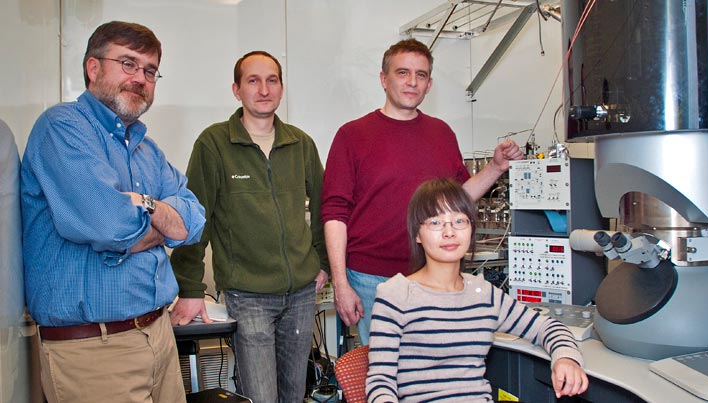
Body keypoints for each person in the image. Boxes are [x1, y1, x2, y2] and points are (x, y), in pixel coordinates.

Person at [21, 21, 206, 403]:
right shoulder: (62, 129)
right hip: (94, 350)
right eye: (128, 63)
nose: (140, 78)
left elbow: (194, 218)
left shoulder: (146, 149)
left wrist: (145, 206)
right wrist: (153, 225)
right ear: (93, 68)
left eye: (150, 70)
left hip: (158, 337)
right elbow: (111, 226)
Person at [321, 38, 524, 344]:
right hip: (371, 279)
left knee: (434, 372)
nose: (412, 82)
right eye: (403, 73)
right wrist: (341, 283)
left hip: (435, 275)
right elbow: (335, 214)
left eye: (421, 75)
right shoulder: (352, 135)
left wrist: (495, 168)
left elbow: (457, 200)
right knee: (386, 375)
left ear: (430, 84)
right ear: (383, 79)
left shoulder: (441, 133)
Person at [169, 50, 330, 402]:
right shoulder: (214, 144)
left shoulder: (299, 143)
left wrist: (323, 262)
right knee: (260, 396)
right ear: (236, 89)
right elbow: (195, 219)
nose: (263, 89)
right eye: (253, 81)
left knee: (294, 393)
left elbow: (323, 207)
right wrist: (190, 286)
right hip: (249, 295)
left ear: (282, 88)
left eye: (272, 80)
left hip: (301, 295)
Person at [366, 178, 588, 402]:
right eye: (435, 222)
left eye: (459, 221)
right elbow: (380, 383)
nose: (449, 232)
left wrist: (566, 358)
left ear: (471, 229)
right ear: (417, 234)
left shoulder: (484, 294)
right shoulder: (395, 295)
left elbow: (546, 327)